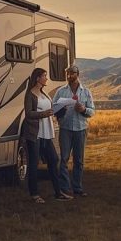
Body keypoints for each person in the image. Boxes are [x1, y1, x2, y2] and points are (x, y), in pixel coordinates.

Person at [21, 67, 72, 203]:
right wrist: (44, 114)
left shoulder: (44, 94)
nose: (46, 78)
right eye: (44, 76)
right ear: (38, 78)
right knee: (33, 163)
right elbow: (28, 113)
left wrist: (60, 110)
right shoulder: (30, 95)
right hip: (35, 134)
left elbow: (51, 112)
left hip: (46, 133)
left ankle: (58, 192)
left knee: (54, 160)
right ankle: (34, 194)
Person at [52, 63, 95, 197]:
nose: (69, 76)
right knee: (64, 159)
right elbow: (54, 109)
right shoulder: (61, 91)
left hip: (80, 129)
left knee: (79, 160)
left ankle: (77, 188)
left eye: (72, 73)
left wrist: (84, 110)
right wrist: (60, 111)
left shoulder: (86, 91)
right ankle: (65, 188)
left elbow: (92, 111)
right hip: (65, 128)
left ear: (78, 74)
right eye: (68, 74)